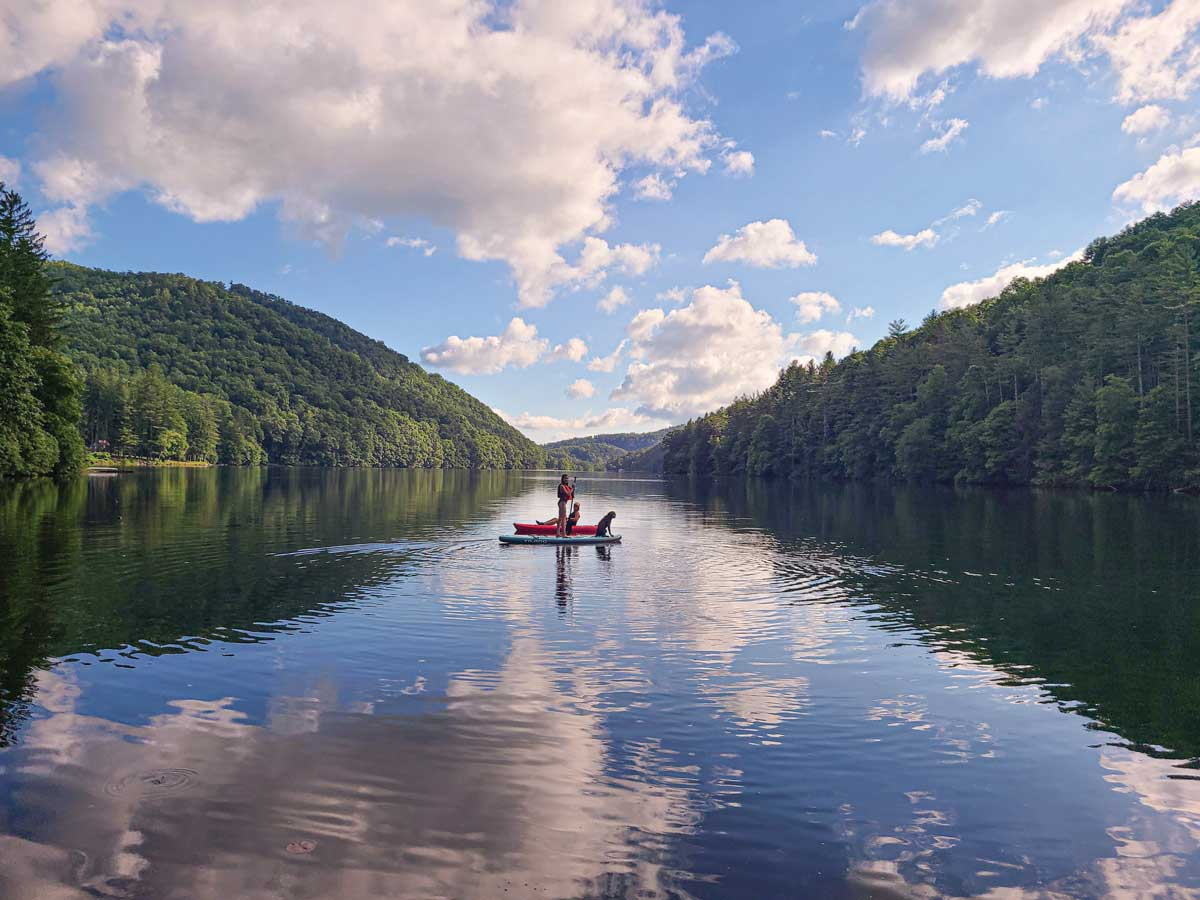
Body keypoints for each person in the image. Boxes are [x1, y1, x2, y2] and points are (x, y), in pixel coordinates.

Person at [555, 474, 573, 538]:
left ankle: (558, 533)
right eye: (565, 478)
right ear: (562, 479)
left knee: (560, 518)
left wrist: (572, 488)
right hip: (562, 502)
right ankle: (564, 534)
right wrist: (572, 489)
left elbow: (570, 493)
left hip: (562, 502)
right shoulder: (562, 486)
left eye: (567, 478)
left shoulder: (566, 486)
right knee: (563, 518)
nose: (566, 479)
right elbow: (568, 493)